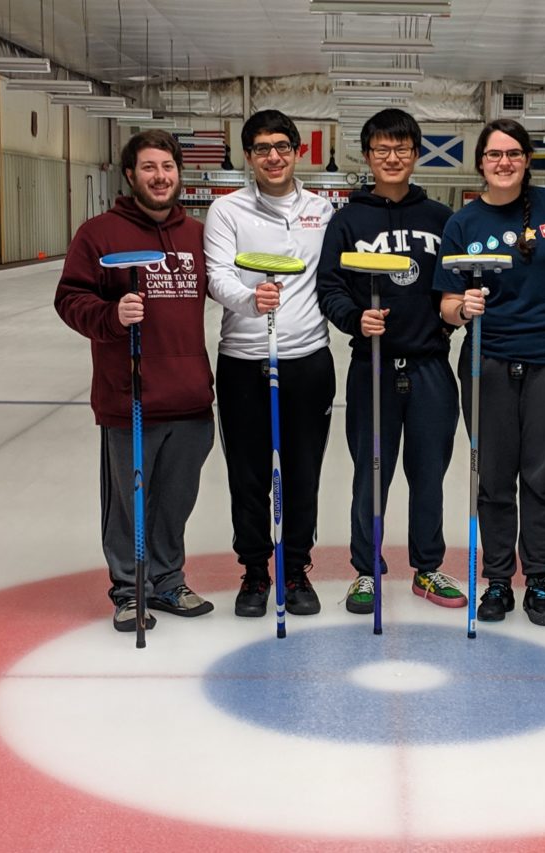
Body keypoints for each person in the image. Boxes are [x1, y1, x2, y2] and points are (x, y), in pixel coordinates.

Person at [54, 130, 215, 632]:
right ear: (130, 175)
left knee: (175, 502)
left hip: (190, 397)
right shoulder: (99, 234)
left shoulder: (197, 235)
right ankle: (129, 591)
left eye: (167, 167)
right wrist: (110, 314)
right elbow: (69, 298)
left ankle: (167, 581)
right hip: (132, 396)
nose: (160, 176)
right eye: (149, 168)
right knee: (129, 503)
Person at [317, 109, 463, 614]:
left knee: (430, 473)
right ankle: (365, 570)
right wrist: (355, 318)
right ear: (368, 156)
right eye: (382, 149)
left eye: (402, 149)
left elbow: (459, 283)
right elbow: (330, 285)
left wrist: (445, 324)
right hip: (372, 366)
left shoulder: (442, 220)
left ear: (417, 154)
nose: (393, 158)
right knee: (370, 474)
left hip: (430, 369)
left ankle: (427, 567)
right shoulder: (349, 220)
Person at [433, 118, 545, 627]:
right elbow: (447, 304)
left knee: (541, 476)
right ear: (480, 163)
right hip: (487, 361)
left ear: (527, 159)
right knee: (493, 478)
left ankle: (537, 579)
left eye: (514, 153)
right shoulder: (463, 223)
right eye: (494, 155)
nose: (505, 163)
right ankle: (497, 580)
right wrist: (462, 309)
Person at [204, 109, 336, 617]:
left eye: (282, 146)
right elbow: (218, 276)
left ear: (299, 151)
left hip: (306, 358)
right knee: (248, 471)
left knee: (303, 469)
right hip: (243, 359)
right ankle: (256, 570)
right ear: (249, 156)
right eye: (262, 149)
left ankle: (297, 567)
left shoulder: (322, 212)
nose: (274, 156)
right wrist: (247, 300)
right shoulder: (227, 211)